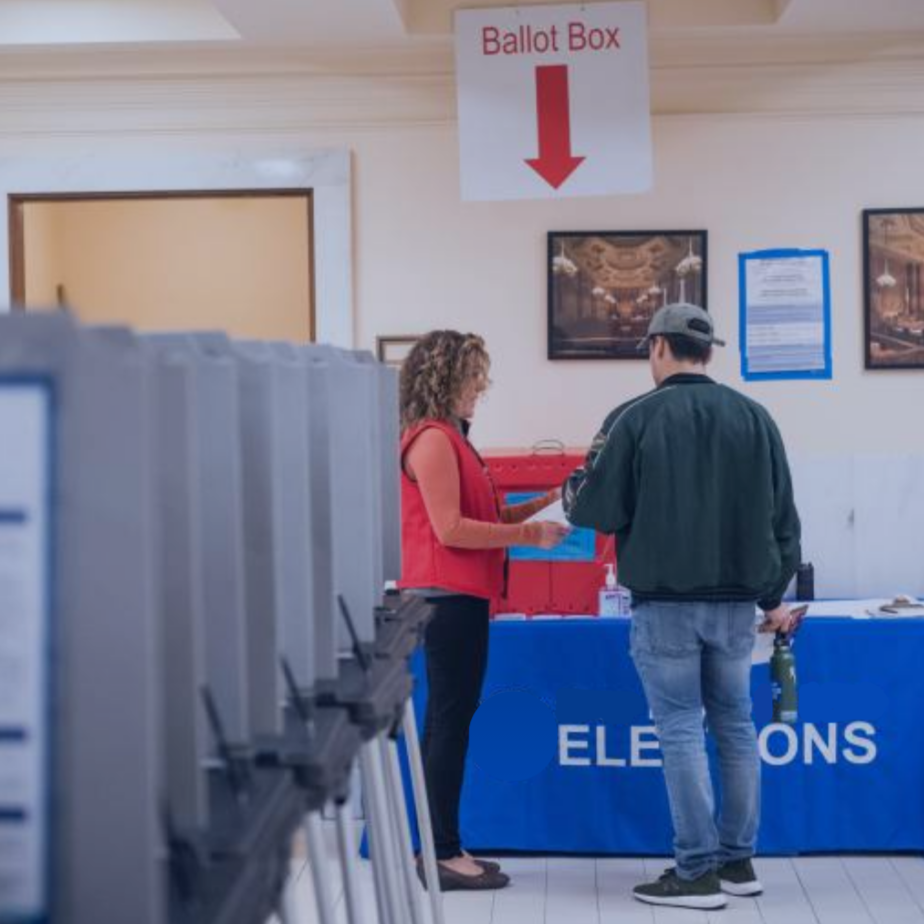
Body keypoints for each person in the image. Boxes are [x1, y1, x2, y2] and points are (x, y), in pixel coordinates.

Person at [563, 303, 801, 911]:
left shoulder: (634, 418)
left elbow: (593, 512)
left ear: (659, 348)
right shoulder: (756, 417)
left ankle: (695, 872)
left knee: (679, 732)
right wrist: (772, 600)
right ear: (709, 353)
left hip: (665, 606)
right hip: (736, 608)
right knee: (736, 728)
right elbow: (783, 523)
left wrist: (573, 488)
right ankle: (738, 862)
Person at [398, 330, 568, 891]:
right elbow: (451, 529)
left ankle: (443, 844)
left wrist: (550, 500)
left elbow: (487, 511)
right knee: (448, 724)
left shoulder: (454, 439)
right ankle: (441, 853)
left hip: (460, 599)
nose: (480, 389)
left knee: (448, 722)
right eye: (474, 379)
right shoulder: (433, 441)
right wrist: (529, 534)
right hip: (446, 601)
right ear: (446, 379)